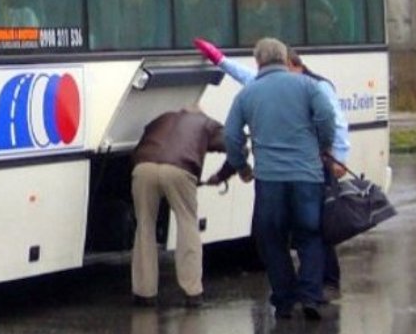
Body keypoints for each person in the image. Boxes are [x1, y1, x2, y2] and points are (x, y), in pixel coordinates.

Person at [195, 37, 349, 300]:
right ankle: (311, 295)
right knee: (310, 234)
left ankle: (286, 299)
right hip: (308, 174)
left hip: (270, 179)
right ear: (285, 60)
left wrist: (241, 167)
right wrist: (323, 149)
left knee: (273, 239)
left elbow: (232, 136)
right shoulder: (310, 87)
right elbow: (329, 120)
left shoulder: (252, 90)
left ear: (259, 62)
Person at [129, 105, 247, 308]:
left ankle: (144, 293)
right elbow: (237, 145)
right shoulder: (207, 123)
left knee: (145, 226)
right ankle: (192, 291)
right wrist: (223, 175)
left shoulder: (162, 117)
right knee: (187, 223)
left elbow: (139, 147)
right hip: (179, 169)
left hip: (143, 168)